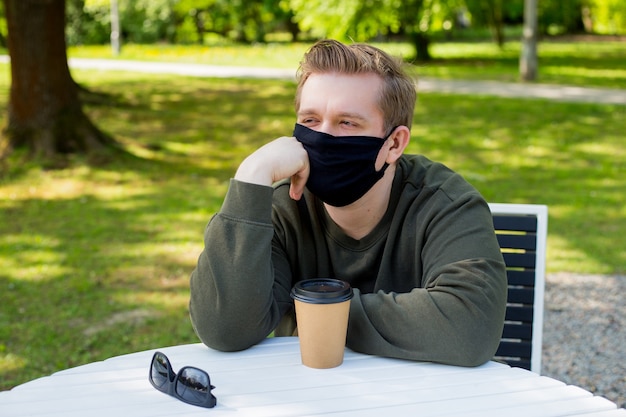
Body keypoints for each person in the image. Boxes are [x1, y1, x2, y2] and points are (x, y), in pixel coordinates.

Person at [189, 39, 507, 367]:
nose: (323, 137)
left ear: (394, 143)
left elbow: (470, 327)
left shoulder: (446, 204)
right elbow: (225, 328)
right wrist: (252, 175)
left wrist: (317, 313)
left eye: (347, 123)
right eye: (310, 121)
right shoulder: (282, 208)